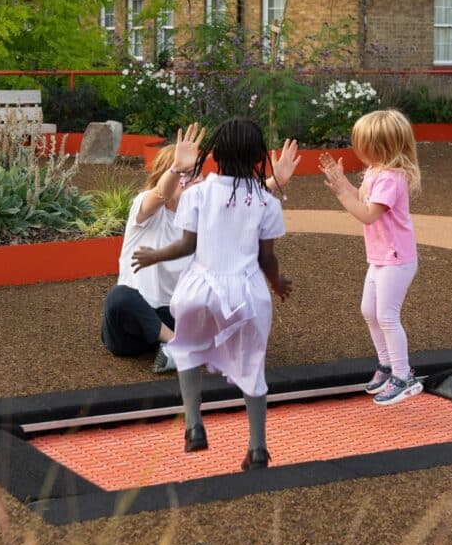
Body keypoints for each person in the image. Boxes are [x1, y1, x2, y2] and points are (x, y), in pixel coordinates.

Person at [132, 117, 291, 471]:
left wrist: (155, 254)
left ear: (215, 153)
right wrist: (277, 282)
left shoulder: (199, 194)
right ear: (256, 156)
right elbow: (267, 257)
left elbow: (187, 245)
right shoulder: (266, 201)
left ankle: (194, 426)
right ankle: (258, 449)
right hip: (247, 293)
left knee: (186, 350)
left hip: (200, 288)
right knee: (253, 367)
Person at [101, 123, 300, 374]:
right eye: (192, 175)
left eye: (199, 175)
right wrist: (176, 168)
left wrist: (275, 182)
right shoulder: (146, 208)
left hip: (173, 317)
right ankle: (182, 345)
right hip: (130, 330)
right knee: (119, 297)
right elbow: (160, 194)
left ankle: (175, 346)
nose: (200, 181)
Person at [319, 108, 423, 407]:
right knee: (369, 310)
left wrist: (341, 193)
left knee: (387, 316)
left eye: (362, 143)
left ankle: (404, 377)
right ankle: (388, 365)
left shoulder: (391, 178)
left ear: (380, 147)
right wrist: (344, 185)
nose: (357, 148)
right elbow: (363, 199)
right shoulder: (377, 172)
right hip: (380, 257)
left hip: (397, 258)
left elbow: (367, 214)